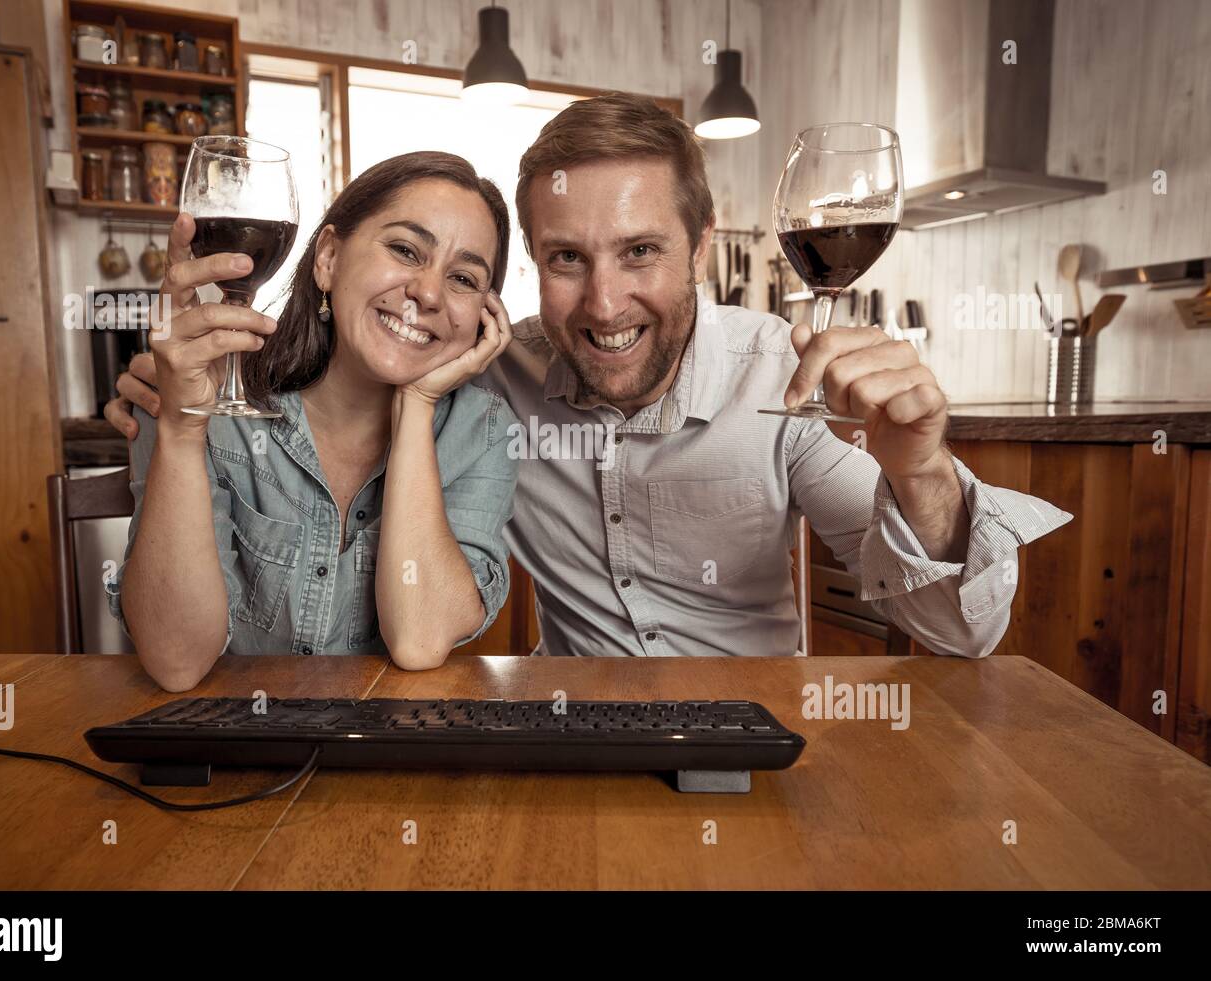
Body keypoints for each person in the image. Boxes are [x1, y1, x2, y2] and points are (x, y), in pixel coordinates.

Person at [107, 95, 1071, 661]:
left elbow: (960, 630)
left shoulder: (776, 375)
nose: (604, 304)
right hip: (574, 746)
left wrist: (926, 472)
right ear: (533, 267)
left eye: (641, 251)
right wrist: (173, 412)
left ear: (700, 247)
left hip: (752, 746)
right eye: (567, 259)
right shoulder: (498, 375)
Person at [109, 151, 519, 691]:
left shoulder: (483, 431)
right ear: (328, 257)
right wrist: (184, 431)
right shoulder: (199, 395)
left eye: (464, 277)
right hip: (231, 751)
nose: (428, 294)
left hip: (388, 758)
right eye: (404, 249)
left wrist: (416, 404)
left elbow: (420, 639)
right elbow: (177, 661)